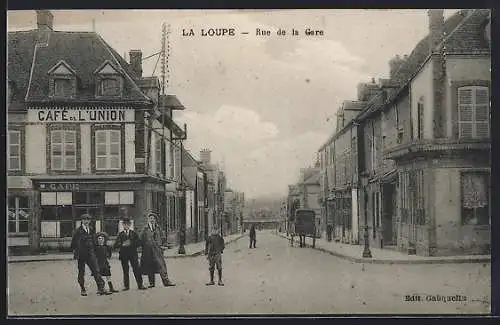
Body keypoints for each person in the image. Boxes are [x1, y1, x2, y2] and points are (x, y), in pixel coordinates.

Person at [70, 213, 110, 296]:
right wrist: (76, 252)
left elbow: (94, 241)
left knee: (96, 270)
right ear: (82, 221)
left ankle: (101, 288)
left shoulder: (91, 229)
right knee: (81, 272)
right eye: (84, 220)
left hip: (90, 253)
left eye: (88, 220)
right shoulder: (78, 231)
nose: (86, 221)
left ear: (90, 221)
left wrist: (96, 251)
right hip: (81, 254)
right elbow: (73, 243)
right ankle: (83, 289)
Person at [140, 213, 176, 288]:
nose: (152, 220)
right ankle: (151, 283)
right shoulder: (145, 229)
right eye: (150, 219)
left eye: (153, 219)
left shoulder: (158, 228)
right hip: (148, 250)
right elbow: (141, 239)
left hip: (157, 250)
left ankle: (166, 281)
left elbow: (163, 237)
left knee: (161, 265)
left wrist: (164, 245)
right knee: (150, 266)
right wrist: (143, 247)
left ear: (155, 220)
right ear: (148, 220)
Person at [114, 217, 146, 291]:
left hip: (132, 254)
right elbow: (115, 245)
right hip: (123, 254)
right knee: (125, 270)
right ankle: (126, 286)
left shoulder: (133, 233)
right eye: (124, 224)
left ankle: (140, 285)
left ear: (130, 225)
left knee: (136, 269)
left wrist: (131, 244)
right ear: (122, 225)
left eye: (127, 224)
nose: (126, 226)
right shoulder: (120, 234)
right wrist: (122, 244)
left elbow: (139, 243)